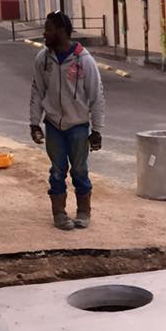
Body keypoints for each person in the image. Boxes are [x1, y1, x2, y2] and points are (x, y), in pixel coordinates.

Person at [30, 11, 105, 230]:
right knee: (57, 171)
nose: (44, 33)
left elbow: (96, 96)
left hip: (78, 126)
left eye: (48, 28)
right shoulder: (43, 59)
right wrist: (34, 123)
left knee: (80, 170)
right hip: (53, 125)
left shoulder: (84, 61)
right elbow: (37, 91)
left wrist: (97, 130)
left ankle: (83, 211)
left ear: (61, 31)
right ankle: (59, 213)